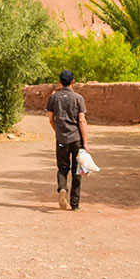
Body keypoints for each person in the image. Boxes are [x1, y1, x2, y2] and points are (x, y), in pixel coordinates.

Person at [46, 70, 88, 211]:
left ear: (60, 81)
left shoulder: (54, 98)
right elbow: (81, 120)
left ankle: (62, 188)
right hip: (76, 139)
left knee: (62, 168)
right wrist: (85, 142)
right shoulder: (78, 98)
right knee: (77, 170)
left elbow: (51, 119)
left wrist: (58, 132)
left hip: (61, 139)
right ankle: (75, 203)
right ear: (73, 81)